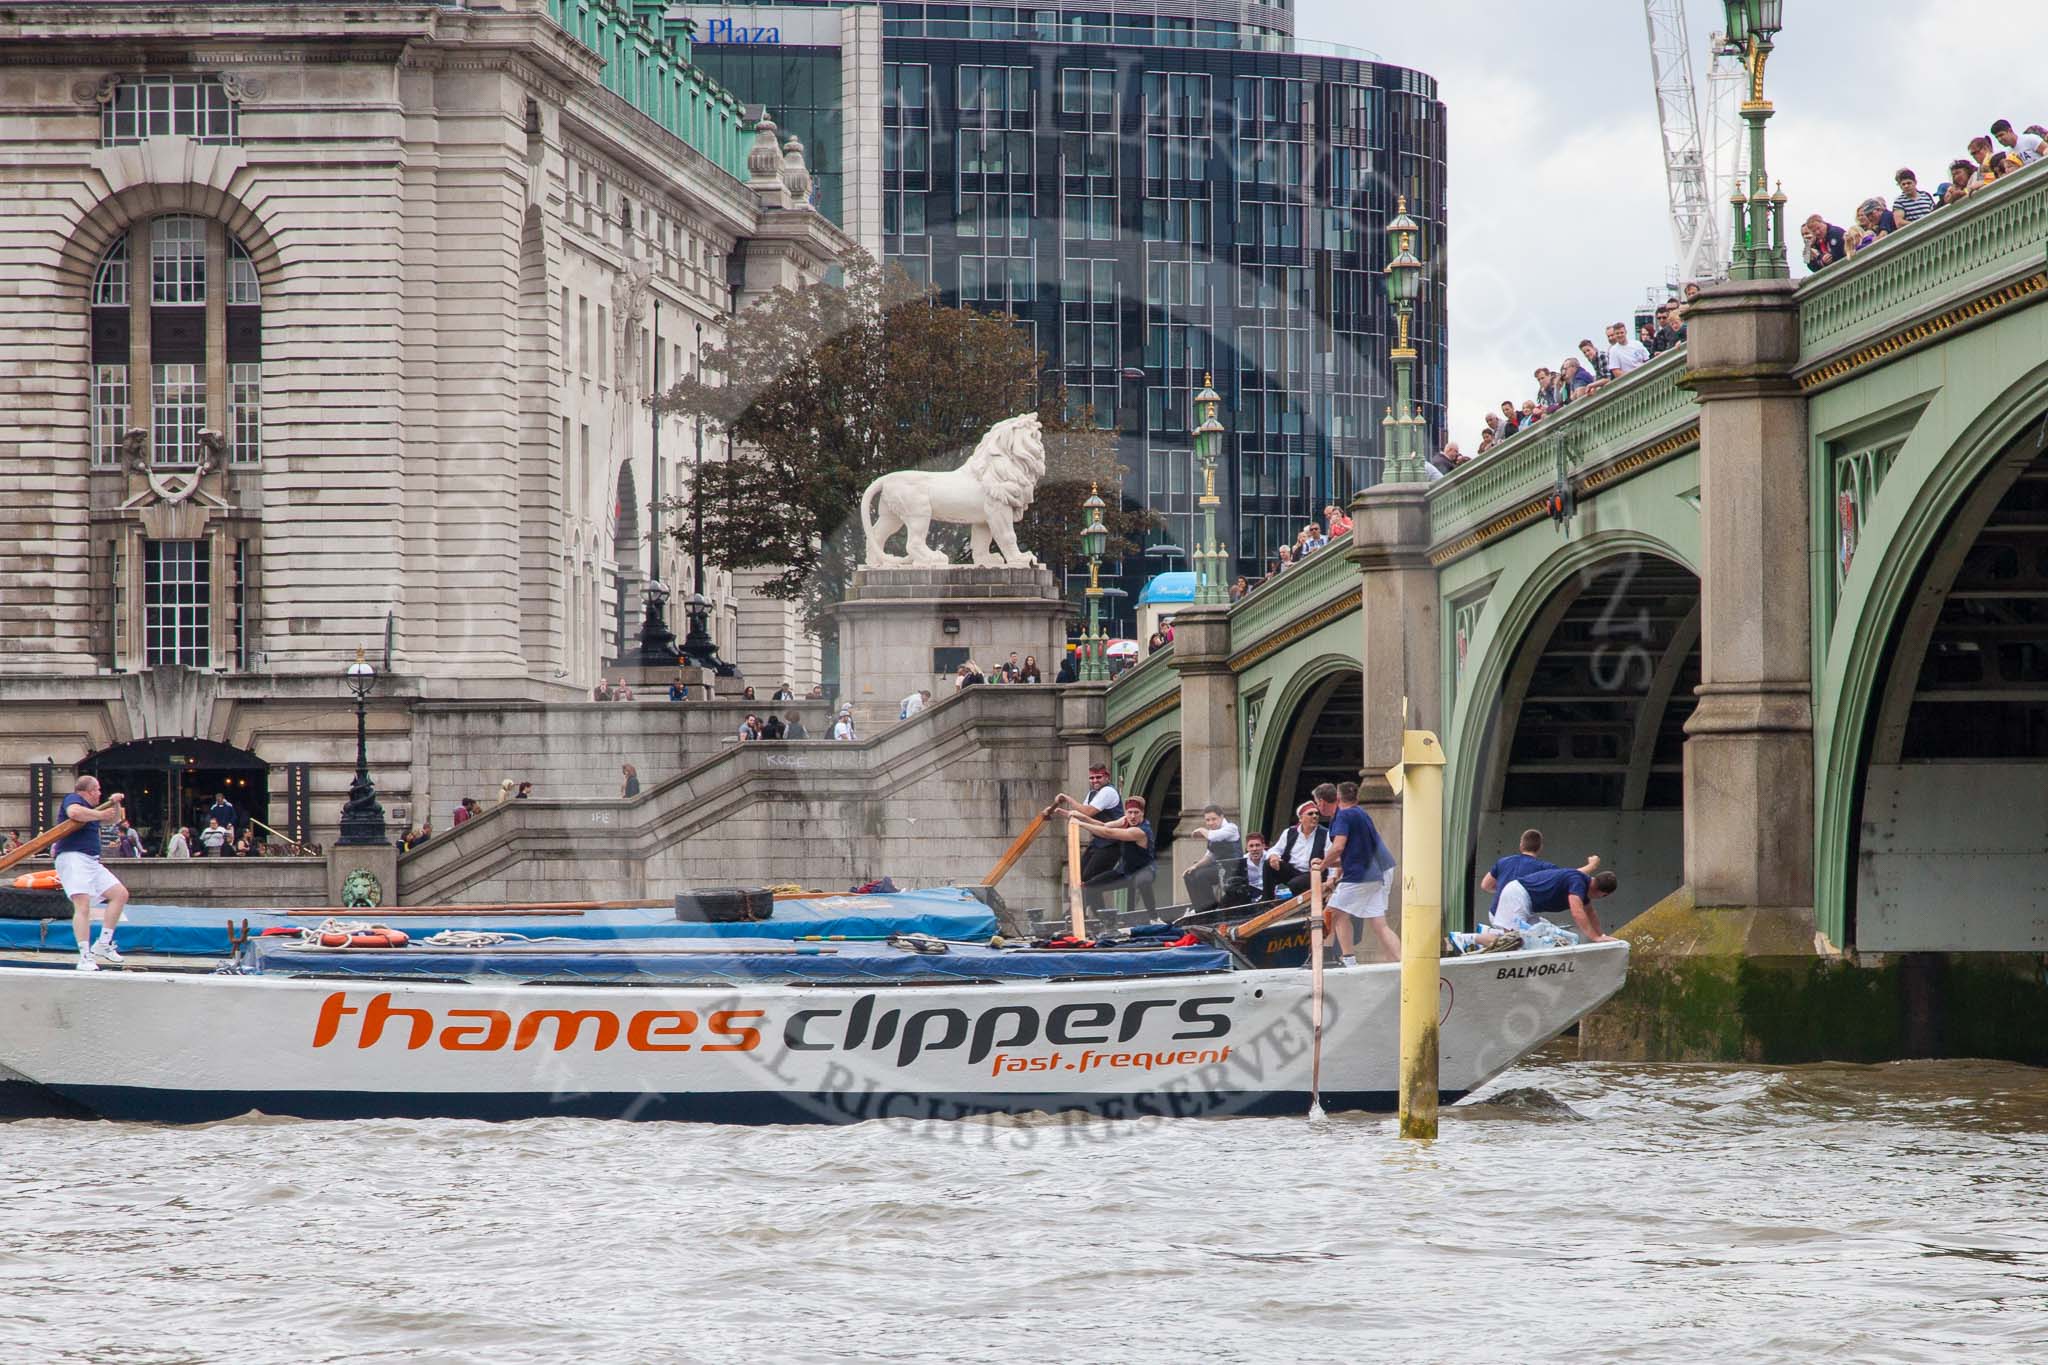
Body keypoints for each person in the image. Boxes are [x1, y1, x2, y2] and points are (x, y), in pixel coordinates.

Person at [1316, 780, 1399, 967]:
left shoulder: (1344, 816)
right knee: (1378, 924)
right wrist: (1334, 875)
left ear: (1323, 801)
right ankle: (1400, 961)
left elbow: (1339, 848)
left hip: (1360, 877)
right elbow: (1351, 853)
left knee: (1328, 915)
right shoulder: (1361, 814)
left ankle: (1322, 959)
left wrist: (1321, 866)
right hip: (1374, 876)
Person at [53, 775, 130, 970]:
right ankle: (85, 956)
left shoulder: (93, 811)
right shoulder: (73, 799)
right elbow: (74, 813)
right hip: (73, 857)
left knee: (120, 894)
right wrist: (99, 814)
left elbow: (114, 819)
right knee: (82, 905)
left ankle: (103, 943)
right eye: (97, 790)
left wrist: (115, 803)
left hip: (91, 861)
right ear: (88, 791)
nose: (99, 793)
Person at [1060, 794, 1157, 915]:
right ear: (1125, 813)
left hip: (1144, 870)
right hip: (1124, 872)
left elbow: (1108, 833)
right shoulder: (1125, 820)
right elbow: (1104, 826)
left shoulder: (1140, 831)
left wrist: (1080, 824)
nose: (1133, 816)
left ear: (1142, 813)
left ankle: (1153, 917)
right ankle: (1102, 917)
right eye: (1130, 812)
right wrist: (1081, 817)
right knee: (1089, 887)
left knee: (1143, 881)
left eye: (1136, 813)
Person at [1495, 865, 1619, 944]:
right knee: (1514, 941)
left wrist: (1601, 936)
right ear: (1603, 894)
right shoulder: (1578, 882)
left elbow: (1591, 913)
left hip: (1527, 903)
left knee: (1537, 939)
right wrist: (1595, 937)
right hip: (1517, 896)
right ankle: (1483, 937)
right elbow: (1577, 912)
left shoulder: (1585, 887)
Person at [1049, 763, 1124, 884]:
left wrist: (1067, 798)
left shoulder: (1108, 791)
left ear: (1107, 777)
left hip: (1112, 843)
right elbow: (1082, 815)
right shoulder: (1092, 793)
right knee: (1078, 876)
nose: (1095, 780)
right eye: (1092, 778)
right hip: (1099, 840)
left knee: (1089, 881)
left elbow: (1087, 812)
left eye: (1098, 777)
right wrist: (1063, 812)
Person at [1265, 800, 1326, 898]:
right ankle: (1267, 900)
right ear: (1301, 818)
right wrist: (1273, 856)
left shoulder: (1325, 834)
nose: (1315, 816)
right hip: (1292, 870)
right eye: (1310, 814)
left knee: (1295, 884)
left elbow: (1331, 856)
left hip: (1312, 873)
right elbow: (1275, 849)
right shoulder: (1289, 832)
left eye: (1316, 813)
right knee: (1268, 864)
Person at [1241, 832, 1276, 902]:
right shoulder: (1242, 861)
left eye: (1257, 845)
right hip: (1251, 895)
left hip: (1271, 893)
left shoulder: (1271, 857)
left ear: (1263, 846)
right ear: (1247, 848)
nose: (1254, 849)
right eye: (1251, 846)